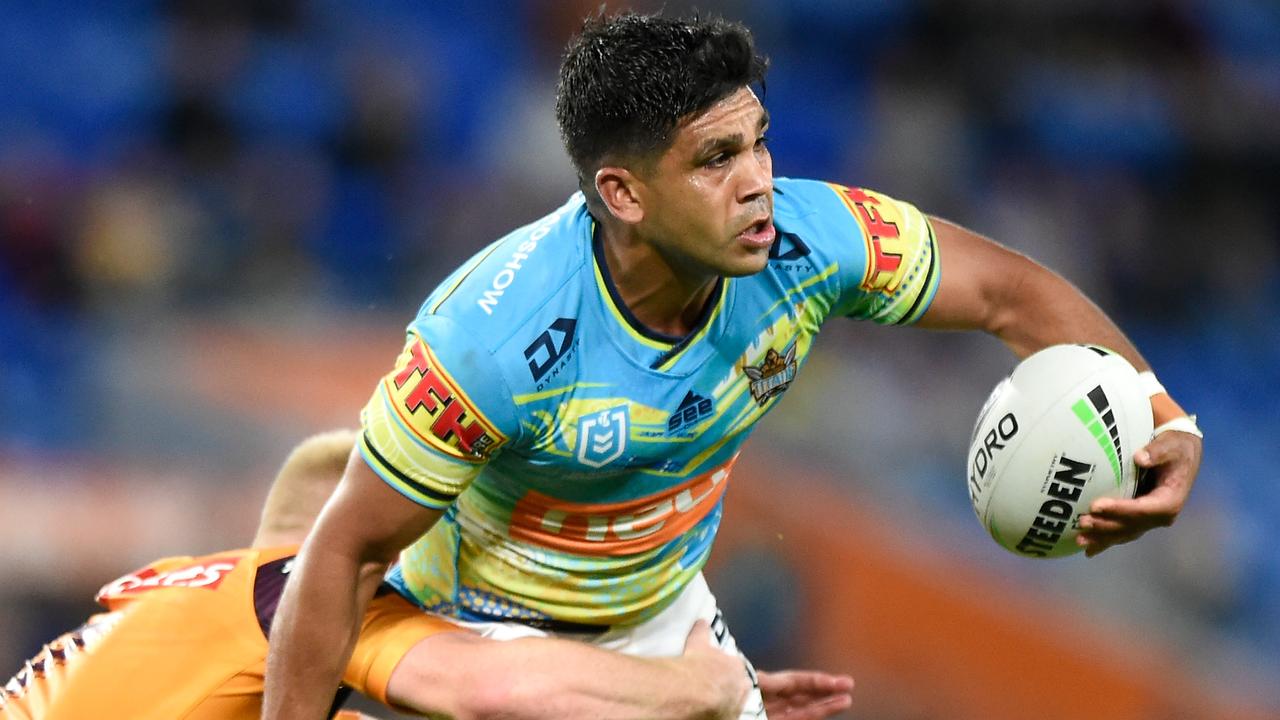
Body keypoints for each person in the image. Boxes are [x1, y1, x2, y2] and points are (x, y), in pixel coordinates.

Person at [264, 11, 1204, 720]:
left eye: (757, 140)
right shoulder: (493, 341)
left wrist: (1164, 417)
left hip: (664, 612)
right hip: (483, 641)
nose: (759, 179)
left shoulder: (808, 238)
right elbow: (343, 554)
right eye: (716, 159)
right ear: (623, 193)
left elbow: (1008, 294)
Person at [1, 429, 854, 720]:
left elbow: (314, 474)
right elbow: (487, 689)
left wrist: (640, 689)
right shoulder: (311, 601)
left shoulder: (194, 589)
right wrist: (690, 687)